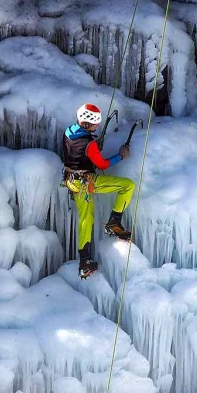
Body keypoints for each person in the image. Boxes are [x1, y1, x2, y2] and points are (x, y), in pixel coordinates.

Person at [63, 104, 135, 279]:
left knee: (85, 220)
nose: (97, 126)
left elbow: (77, 153)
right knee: (127, 185)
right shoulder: (89, 144)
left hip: (71, 181)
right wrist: (121, 155)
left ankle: (84, 261)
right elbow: (101, 164)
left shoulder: (69, 131)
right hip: (86, 183)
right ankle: (114, 223)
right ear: (88, 124)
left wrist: (94, 148)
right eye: (95, 124)